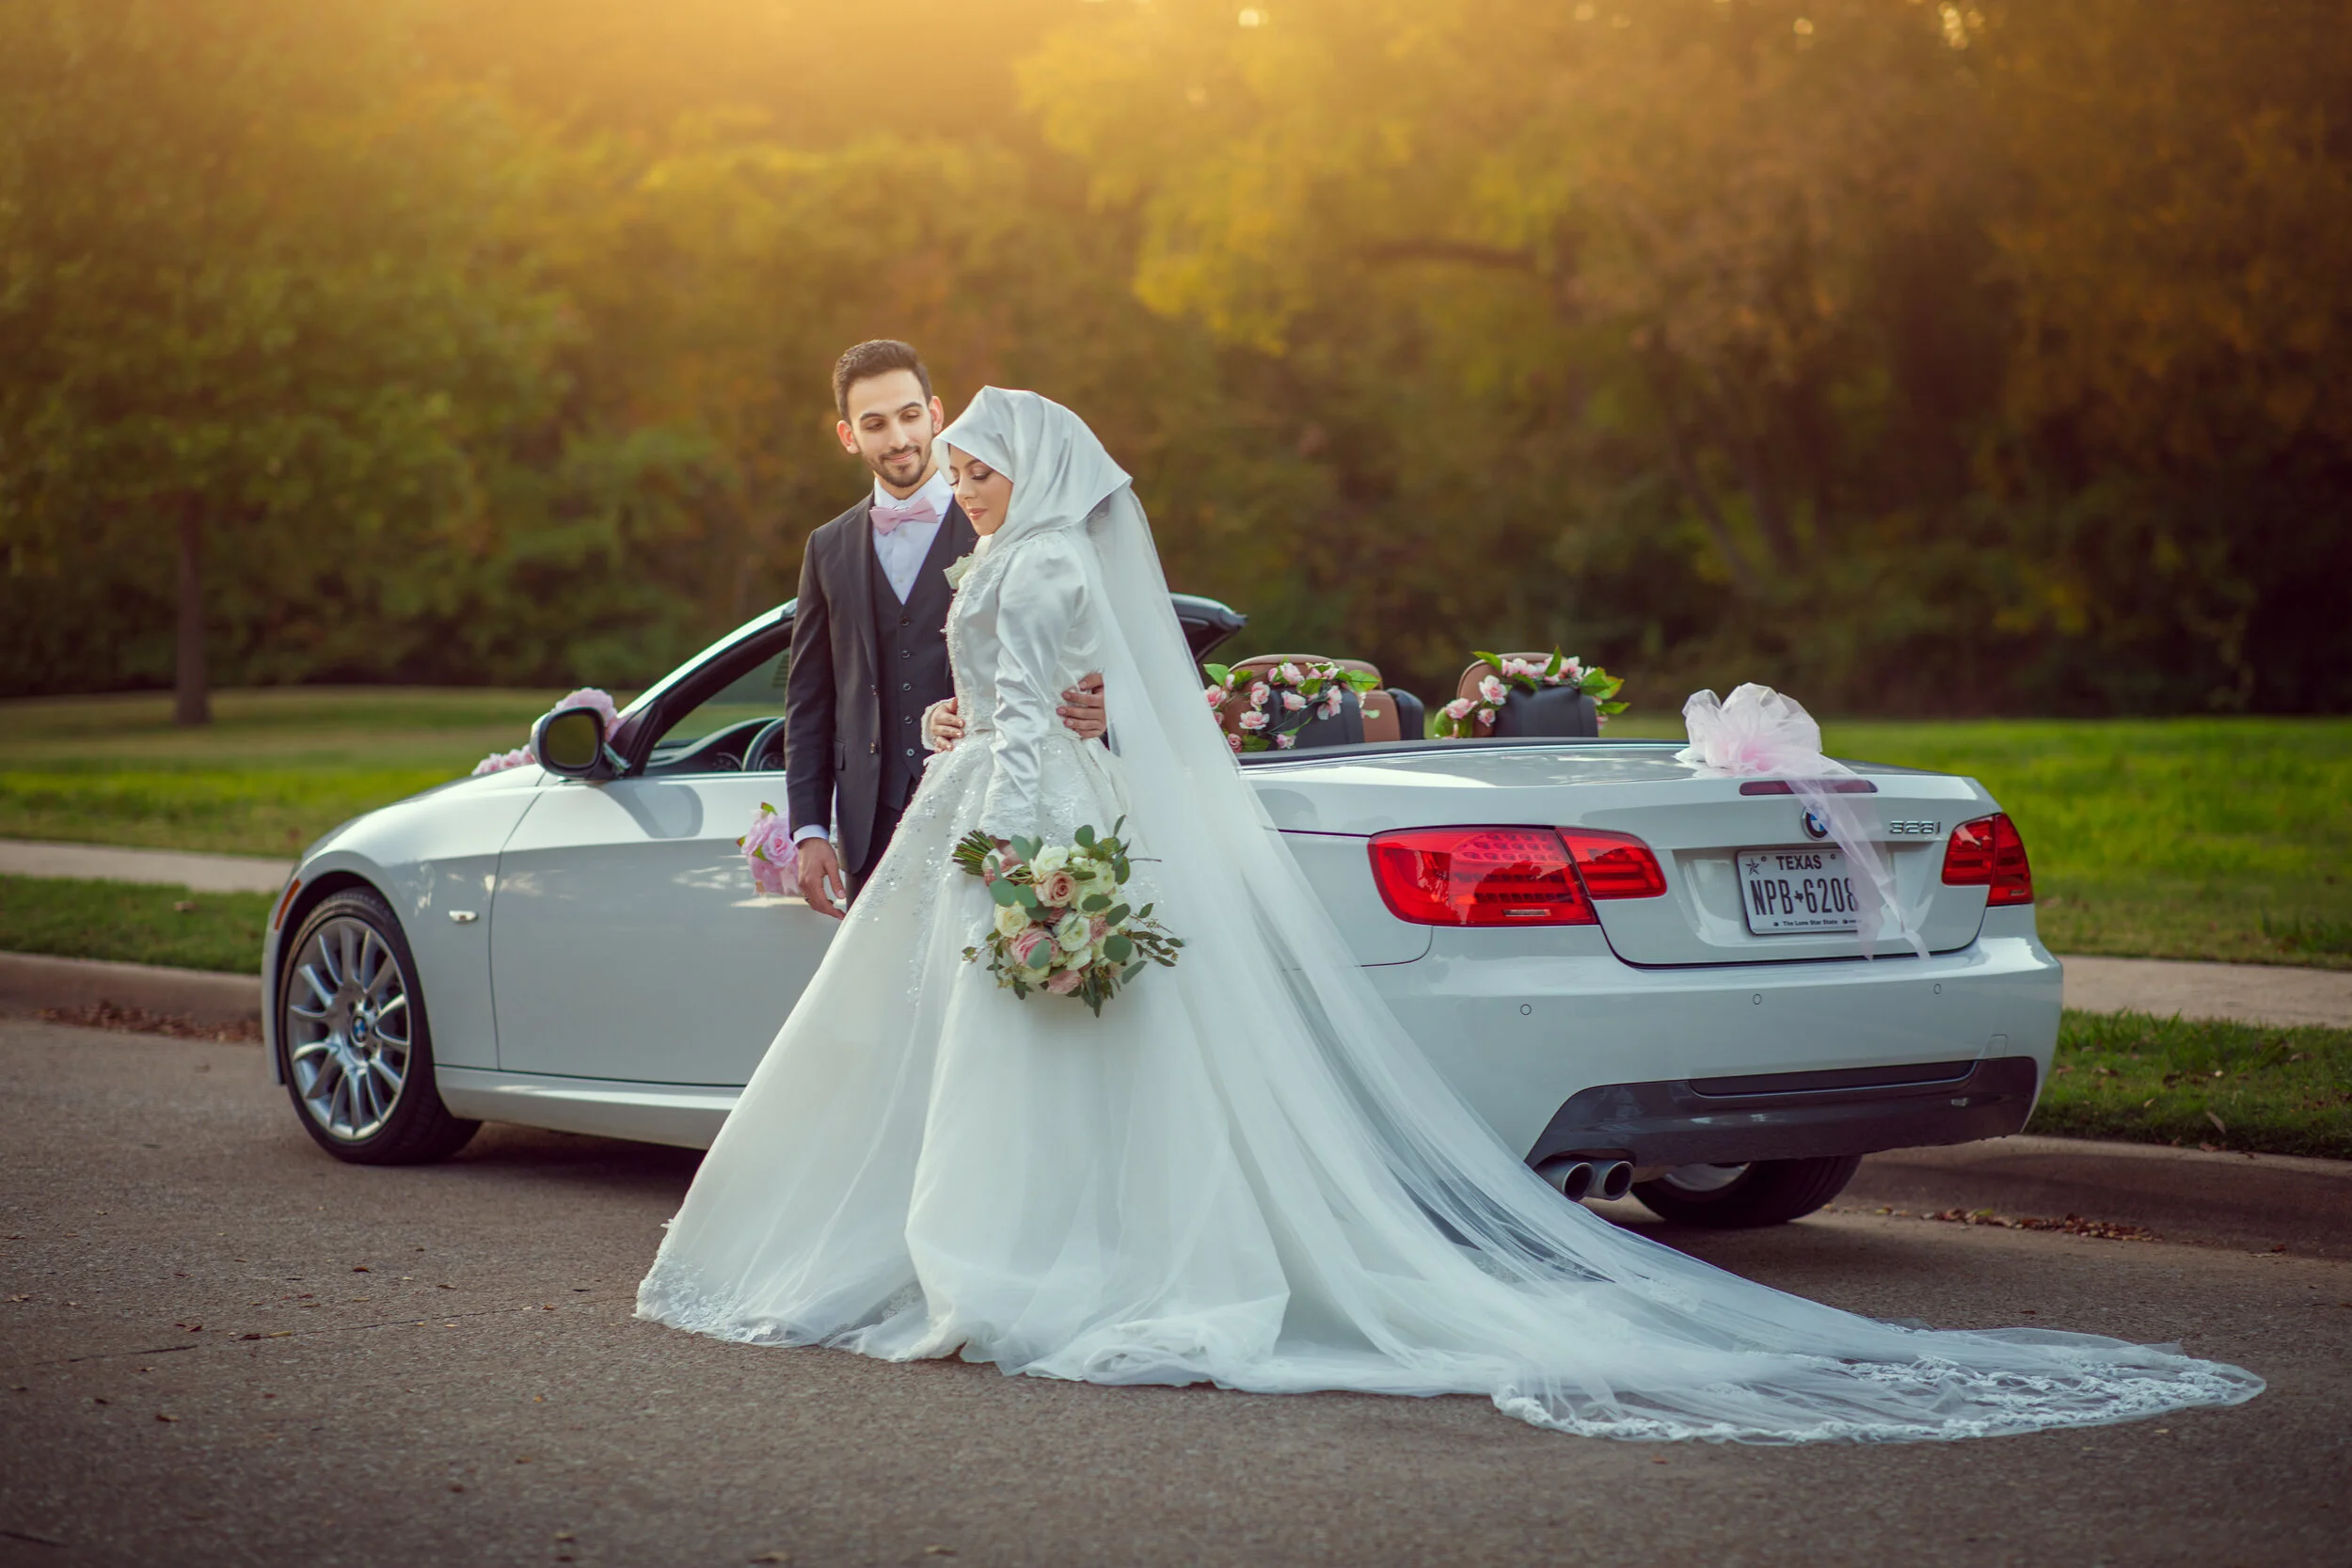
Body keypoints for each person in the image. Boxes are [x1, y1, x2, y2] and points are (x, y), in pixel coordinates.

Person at [639, 388, 2260, 1443]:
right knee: (968, 1035)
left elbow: (1104, 696)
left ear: (1027, 465)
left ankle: (1012, 1263)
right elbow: (999, 688)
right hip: (983, 806)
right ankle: (968, 1254)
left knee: (1047, 1028)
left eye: (983, 465)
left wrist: (1030, 734)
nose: (970, 487)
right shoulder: (996, 554)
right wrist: (956, 732)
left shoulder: (1053, 556)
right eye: (962, 468)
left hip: (1041, 808)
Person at [785, 341, 1105, 914]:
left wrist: (1113, 704)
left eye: (910, 416)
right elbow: (810, 699)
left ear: (935, 415)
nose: (899, 439)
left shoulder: (1012, 523)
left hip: (992, 800)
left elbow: (1101, 643)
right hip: (870, 821)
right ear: (849, 436)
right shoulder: (826, 548)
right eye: (875, 423)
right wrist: (809, 826)